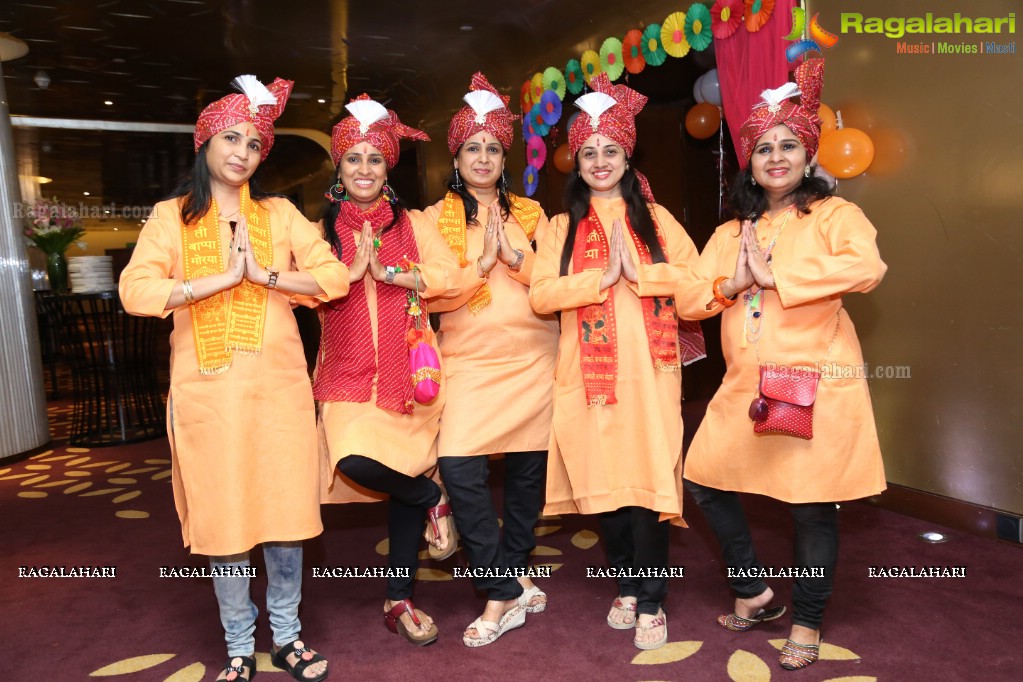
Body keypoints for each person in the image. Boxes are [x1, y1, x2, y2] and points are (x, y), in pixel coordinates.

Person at [120, 75, 347, 682]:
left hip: (278, 394)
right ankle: (241, 646)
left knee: (284, 516)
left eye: (253, 142)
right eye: (230, 137)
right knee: (225, 522)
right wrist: (212, 283)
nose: (242, 151)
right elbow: (135, 290)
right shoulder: (172, 217)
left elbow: (333, 276)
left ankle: (290, 638)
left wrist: (266, 276)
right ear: (205, 143)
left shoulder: (279, 213)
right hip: (208, 399)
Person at [677, 58, 887, 671]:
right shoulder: (731, 230)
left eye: (788, 145)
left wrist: (779, 277)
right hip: (745, 382)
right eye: (763, 147)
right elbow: (690, 297)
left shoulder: (834, 216)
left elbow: (867, 268)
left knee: (810, 503)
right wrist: (732, 280)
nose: (775, 157)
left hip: (813, 379)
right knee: (704, 477)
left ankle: (808, 619)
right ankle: (755, 591)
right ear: (749, 159)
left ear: (807, 154)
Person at [529, 72, 702, 651]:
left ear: (628, 156)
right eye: (588, 152)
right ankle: (627, 584)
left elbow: (697, 282)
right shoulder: (560, 227)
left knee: (650, 480)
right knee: (606, 480)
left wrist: (641, 275)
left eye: (610, 150)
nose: (600, 161)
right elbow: (540, 294)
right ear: (575, 162)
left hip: (651, 375)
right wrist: (594, 281)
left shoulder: (658, 221)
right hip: (589, 376)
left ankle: (652, 599)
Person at [314, 95, 460, 647]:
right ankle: (432, 500)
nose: (365, 169)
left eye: (375, 159)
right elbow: (306, 288)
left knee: (403, 475)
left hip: (409, 370)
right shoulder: (319, 228)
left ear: (389, 166)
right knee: (353, 459)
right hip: (346, 374)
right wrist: (348, 273)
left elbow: (450, 275)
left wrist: (393, 273)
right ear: (339, 165)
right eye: (354, 158)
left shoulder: (415, 223)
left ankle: (399, 599)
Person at [423, 72, 558, 647]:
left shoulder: (533, 214)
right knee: (458, 466)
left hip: (534, 356)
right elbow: (430, 290)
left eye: (493, 148)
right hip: (469, 363)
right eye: (472, 147)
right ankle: (500, 586)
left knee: (529, 473)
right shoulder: (430, 220)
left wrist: (516, 255)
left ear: (507, 158)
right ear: (456, 157)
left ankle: (515, 570)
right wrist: (480, 264)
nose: (483, 156)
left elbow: (553, 282)